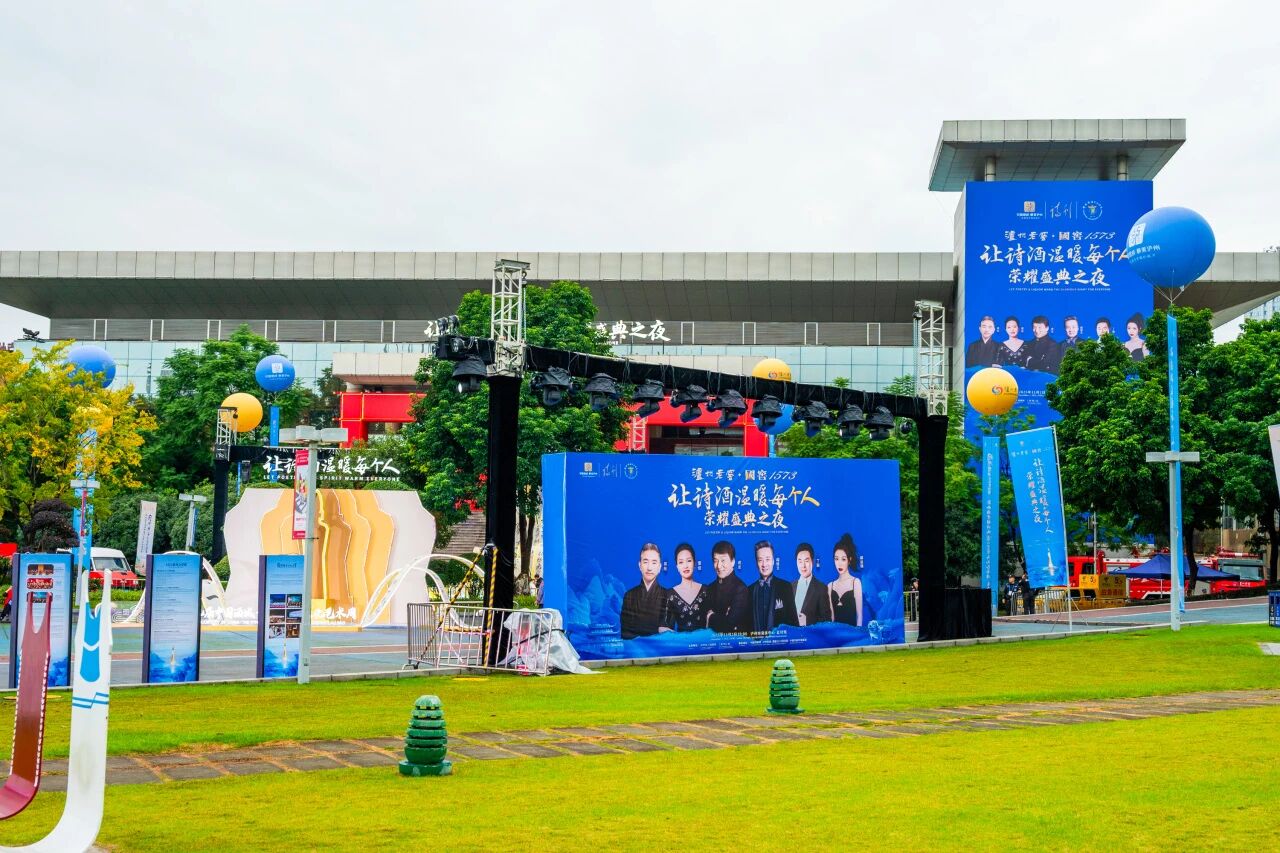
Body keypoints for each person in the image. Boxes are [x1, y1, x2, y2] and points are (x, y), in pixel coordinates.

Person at [620, 542, 667, 639]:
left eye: (654, 562)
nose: (649, 568)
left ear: (659, 567)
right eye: (645, 562)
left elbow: (666, 634)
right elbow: (625, 632)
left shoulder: (667, 596)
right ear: (640, 565)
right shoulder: (629, 595)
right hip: (634, 647)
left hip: (659, 648)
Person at [747, 540, 797, 631]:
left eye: (767, 559)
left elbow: (794, 624)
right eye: (760, 560)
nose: (764, 564)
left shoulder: (785, 587)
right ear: (756, 563)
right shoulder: (749, 590)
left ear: (773, 561)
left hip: (780, 639)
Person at [704, 540, 751, 633]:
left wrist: (710, 616)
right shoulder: (710, 588)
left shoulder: (741, 588)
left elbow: (729, 625)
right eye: (715, 561)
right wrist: (723, 618)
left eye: (723, 560)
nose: (719, 566)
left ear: (733, 562)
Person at [664, 542, 710, 632]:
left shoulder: (706, 590)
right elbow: (665, 626)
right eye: (681, 562)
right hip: (681, 640)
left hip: (703, 639)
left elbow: (712, 622)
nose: (685, 566)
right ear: (677, 566)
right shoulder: (670, 594)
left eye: (689, 561)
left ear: (694, 563)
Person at [828, 533, 864, 627]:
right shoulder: (830, 586)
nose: (839, 563)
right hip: (835, 633)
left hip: (852, 633)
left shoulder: (855, 583)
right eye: (836, 559)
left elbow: (859, 616)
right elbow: (831, 618)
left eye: (843, 559)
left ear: (849, 560)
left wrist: (857, 633)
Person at [792, 542, 831, 626]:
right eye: (800, 561)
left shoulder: (821, 588)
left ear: (812, 562)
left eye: (806, 561)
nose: (803, 565)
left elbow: (827, 620)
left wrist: (807, 620)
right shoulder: (790, 587)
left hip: (810, 633)